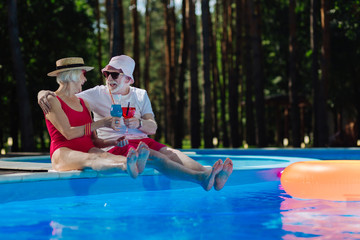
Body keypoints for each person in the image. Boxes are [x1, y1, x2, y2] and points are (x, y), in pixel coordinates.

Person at [38, 55, 233, 191]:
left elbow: (151, 127)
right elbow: (65, 118)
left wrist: (132, 127)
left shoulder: (133, 95)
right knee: (150, 157)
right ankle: (201, 177)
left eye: (114, 74)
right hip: (79, 149)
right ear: (73, 75)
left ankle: (208, 174)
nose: (107, 78)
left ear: (128, 79)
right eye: (107, 74)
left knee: (169, 152)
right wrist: (42, 93)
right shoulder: (90, 95)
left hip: (115, 143)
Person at [42, 57, 149, 178]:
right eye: (83, 74)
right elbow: (68, 133)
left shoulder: (83, 102)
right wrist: (101, 123)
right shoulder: (51, 100)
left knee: (105, 155)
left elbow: (94, 140)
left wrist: (113, 142)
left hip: (87, 148)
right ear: (73, 76)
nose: (85, 79)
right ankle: (125, 167)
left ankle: (134, 164)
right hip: (63, 152)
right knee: (91, 158)